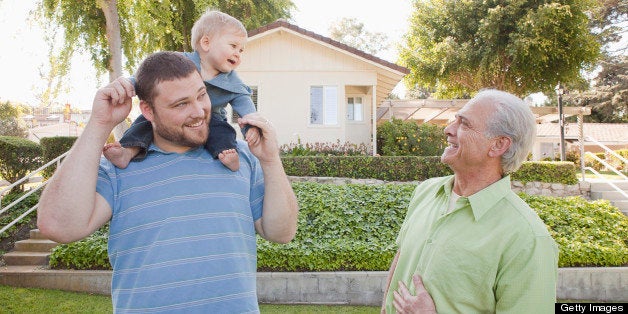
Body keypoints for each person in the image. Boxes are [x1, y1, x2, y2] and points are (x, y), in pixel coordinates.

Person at [37, 51, 299, 313]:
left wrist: (271, 160)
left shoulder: (241, 158)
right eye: (180, 104)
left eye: (201, 95)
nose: (199, 111)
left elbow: (281, 233)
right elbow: (58, 226)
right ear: (148, 111)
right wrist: (99, 123)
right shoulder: (119, 168)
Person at [382, 89, 558, 313]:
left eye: (464, 124)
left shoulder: (528, 239)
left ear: (498, 145)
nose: (448, 129)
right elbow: (400, 261)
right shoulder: (426, 192)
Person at [104, 10, 259, 172]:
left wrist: (251, 128)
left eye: (241, 50)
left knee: (223, 131)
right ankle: (128, 151)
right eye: (233, 46)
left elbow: (246, 107)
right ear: (206, 43)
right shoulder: (180, 62)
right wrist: (129, 83)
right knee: (145, 122)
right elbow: (154, 76)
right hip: (172, 115)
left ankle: (226, 154)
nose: (238, 54)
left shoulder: (233, 82)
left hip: (210, 119)